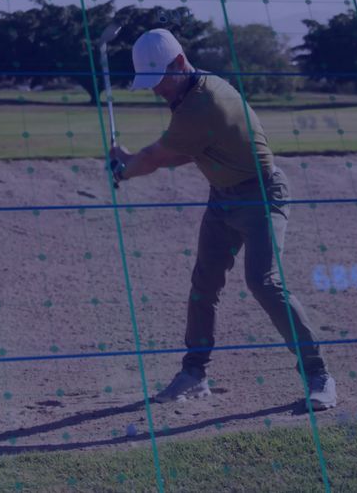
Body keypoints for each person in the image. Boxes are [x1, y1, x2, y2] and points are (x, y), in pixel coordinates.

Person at [107, 28, 337, 411]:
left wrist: (124, 170)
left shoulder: (204, 102)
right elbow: (183, 152)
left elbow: (157, 157)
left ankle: (319, 375)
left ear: (179, 63)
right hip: (223, 198)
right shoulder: (190, 94)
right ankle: (194, 373)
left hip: (262, 196)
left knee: (263, 281)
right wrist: (130, 160)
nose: (156, 90)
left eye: (160, 80)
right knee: (204, 283)